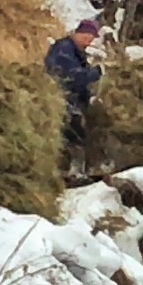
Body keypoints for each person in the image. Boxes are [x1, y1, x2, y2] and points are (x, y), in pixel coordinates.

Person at [44, 20, 103, 175]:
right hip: (59, 98)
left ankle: (77, 170)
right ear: (79, 33)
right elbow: (70, 77)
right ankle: (71, 172)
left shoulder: (76, 52)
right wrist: (95, 73)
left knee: (82, 132)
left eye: (91, 39)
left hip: (71, 99)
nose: (89, 42)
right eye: (87, 37)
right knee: (74, 134)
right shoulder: (64, 49)